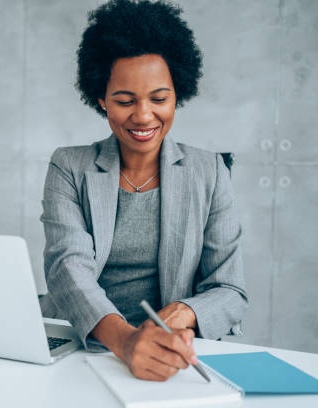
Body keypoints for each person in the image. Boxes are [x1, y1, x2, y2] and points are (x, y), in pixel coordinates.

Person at [39, 0, 247, 381]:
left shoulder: (210, 171)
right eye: (124, 100)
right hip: (84, 345)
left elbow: (229, 288)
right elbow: (67, 267)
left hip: (169, 353)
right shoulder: (69, 166)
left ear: (177, 95)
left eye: (159, 98)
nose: (144, 115)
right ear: (101, 99)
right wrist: (126, 341)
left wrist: (180, 314)